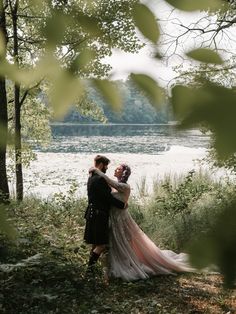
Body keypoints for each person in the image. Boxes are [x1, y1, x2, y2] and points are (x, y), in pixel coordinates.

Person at [91, 163, 194, 281]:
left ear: (123, 173)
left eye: (118, 169)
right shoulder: (115, 187)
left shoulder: (124, 186)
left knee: (122, 241)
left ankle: (125, 263)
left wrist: (96, 170)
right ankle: (113, 264)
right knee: (115, 242)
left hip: (121, 219)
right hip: (113, 218)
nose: (115, 169)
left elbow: (109, 181)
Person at [84, 155, 126, 275]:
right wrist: (122, 205)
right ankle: (89, 272)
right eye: (106, 165)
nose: (107, 168)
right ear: (101, 164)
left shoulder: (91, 176)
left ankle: (91, 269)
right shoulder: (100, 179)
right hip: (99, 215)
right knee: (101, 245)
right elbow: (108, 198)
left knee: (95, 244)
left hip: (91, 213)